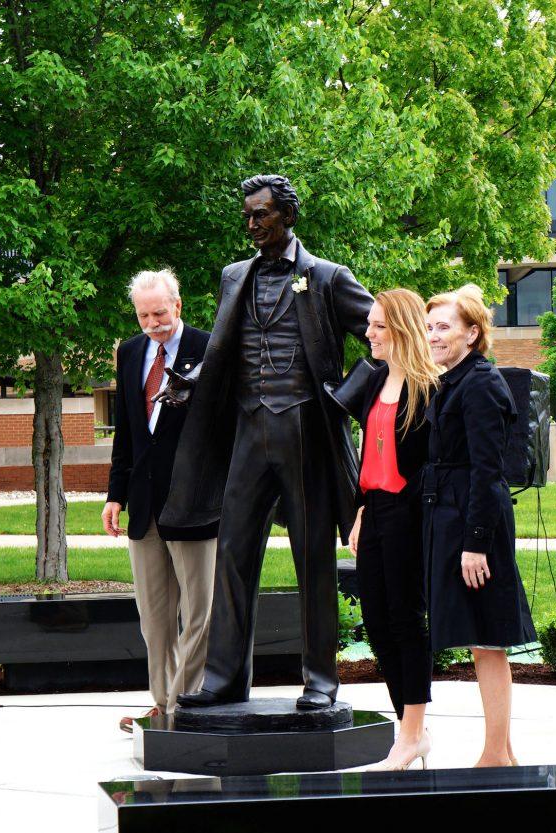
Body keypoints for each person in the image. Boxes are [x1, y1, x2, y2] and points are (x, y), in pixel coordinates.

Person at [156, 174, 374, 710]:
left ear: (288, 217)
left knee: (312, 556)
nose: (252, 224)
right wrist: (196, 378)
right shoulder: (235, 276)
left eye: (263, 214)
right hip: (249, 431)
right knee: (233, 552)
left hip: (305, 431)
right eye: (248, 215)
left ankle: (320, 680)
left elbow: (387, 336)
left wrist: (345, 397)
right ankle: (225, 678)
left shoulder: (326, 277)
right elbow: (228, 344)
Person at [423, 284, 537, 767]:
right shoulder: (453, 380)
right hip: (455, 522)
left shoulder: (482, 384)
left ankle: (494, 755)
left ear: (473, 333)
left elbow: (489, 472)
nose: (433, 336)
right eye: (429, 327)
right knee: (481, 641)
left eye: (443, 327)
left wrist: (476, 546)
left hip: (476, 530)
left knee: (488, 642)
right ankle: (503, 755)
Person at [102, 269, 217, 732]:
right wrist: (115, 494)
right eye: (144, 315)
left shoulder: (209, 349)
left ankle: (183, 705)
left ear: (179, 305)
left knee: (199, 615)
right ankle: (161, 703)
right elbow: (127, 433)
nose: (153, 323)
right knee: (154, 619)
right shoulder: (130, 353)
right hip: (144, 505)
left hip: (195, 503)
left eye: (160, 313)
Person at [348, 289, 440, 770]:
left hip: (409, 513)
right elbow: (369, 451)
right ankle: (411, 731)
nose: (369, 333)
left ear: (402, 329)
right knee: (379, 624)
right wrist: (361, 509)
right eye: (370, 324)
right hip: (375, 509)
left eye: (378, 326)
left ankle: (410, 734)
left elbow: (428, 462)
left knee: (406, 620)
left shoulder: (429, 387)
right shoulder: (374, 379)